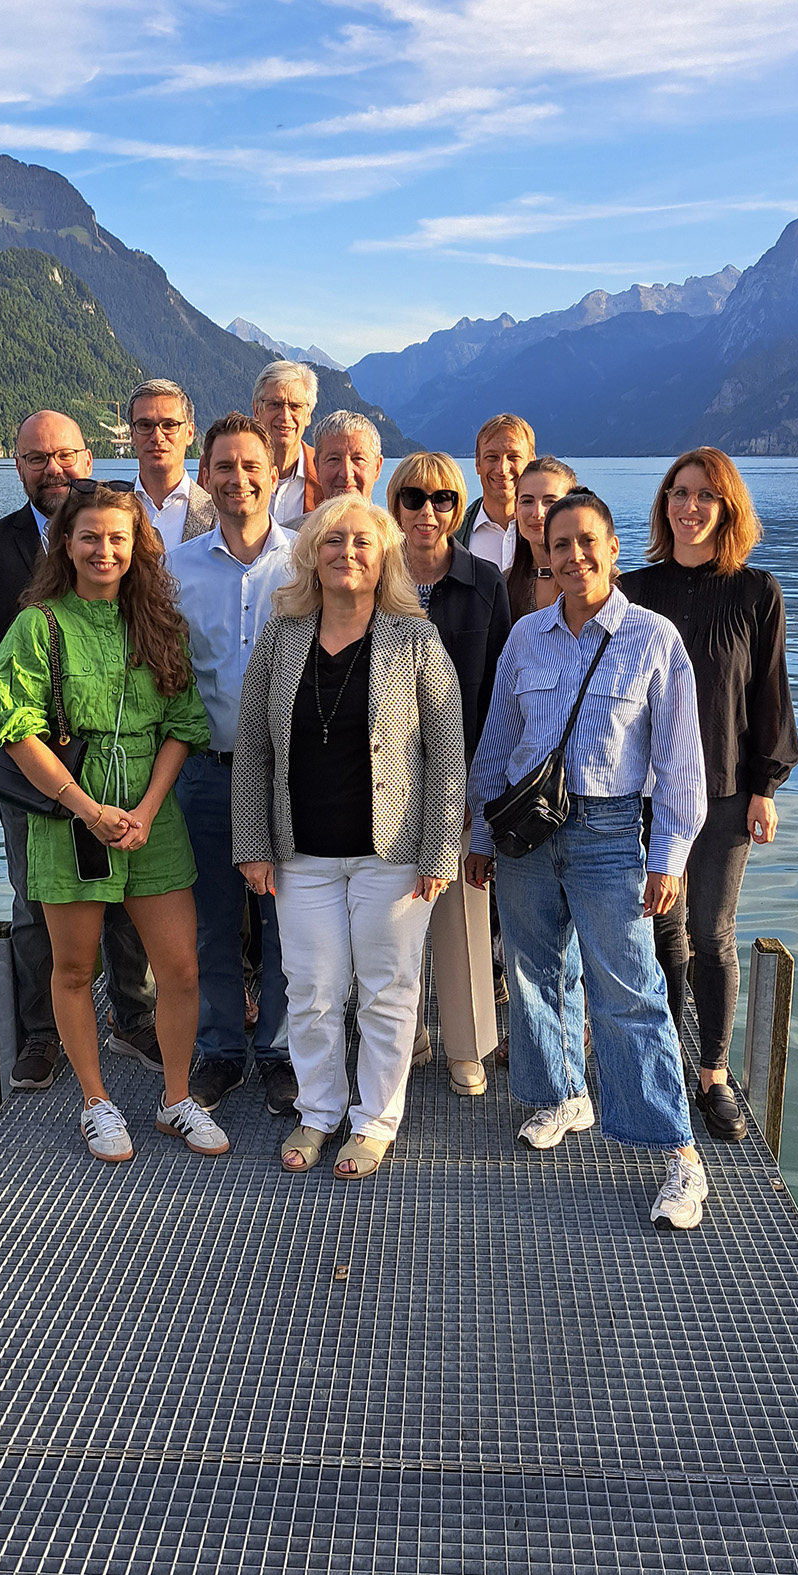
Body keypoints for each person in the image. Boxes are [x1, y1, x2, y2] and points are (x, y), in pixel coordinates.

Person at [466, 489, 711, 1229]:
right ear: (543, 552)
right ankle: (564, 1095)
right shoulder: (526, 638)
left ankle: (678, 1155)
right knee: (535, 973)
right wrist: (479, 838)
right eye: (560, 544)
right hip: (528, 835)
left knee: (629, 990)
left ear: (613, 547)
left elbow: (679, 765)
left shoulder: (653, 639)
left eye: (587, 542)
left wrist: (669, 857)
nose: (573, 556)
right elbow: (498, 747)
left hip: (609, 833)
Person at [0, 482, 226, 1160]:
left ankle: (176, 1099)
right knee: (72, 967)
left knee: (178, 969)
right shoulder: (40, 625)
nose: (104, 549)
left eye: (118, 537)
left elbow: (183, 725)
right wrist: (86, 810)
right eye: (90, 536)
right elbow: (13, 726)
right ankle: (96, 1101)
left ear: (137, 545)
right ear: (65, 541)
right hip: (70, 818)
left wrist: (147, 810)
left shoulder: (158, 621)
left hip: (152, 819)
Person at [233, 494, 466, 1179]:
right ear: (310, 553)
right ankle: (319, 1111)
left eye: (362, 541)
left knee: (388, 991)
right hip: (301, 853)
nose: (347, 553)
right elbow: (252, 745)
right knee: (310, 989)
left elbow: (448, 754)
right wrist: (252, 843)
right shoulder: (281, 634)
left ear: (384, 553)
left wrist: (440, 851)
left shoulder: (415, 638)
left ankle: (374, 1121)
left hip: (392, 855)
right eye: (332, 541)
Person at [0, 410, 160, 1090]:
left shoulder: (123, 541)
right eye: (38, 458)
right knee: (35, 903)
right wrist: (3, 769)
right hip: (30, 773)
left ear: (88, 458)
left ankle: (133, 1018)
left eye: (66, 456)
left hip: (120, 766)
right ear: (18, 467)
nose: (54, 470)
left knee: (123, 898)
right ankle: (40, 1036)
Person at [620, 448, 798, 1143]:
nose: (689, 507)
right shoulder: (632, 589)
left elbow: (770, 697)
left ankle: (713, 1075)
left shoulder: (757, 592)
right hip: (646, 792)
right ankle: (660, 1063)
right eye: (678, 493)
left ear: (728, 509)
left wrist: (766, 787)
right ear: (664, 504)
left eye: (704, 496)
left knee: (711, 933)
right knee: (660, 931)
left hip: (725, 789)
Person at [167, 412, 298, 1117]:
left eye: (252, 466)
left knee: (283, 925)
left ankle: (278, 1054)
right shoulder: (176, 568)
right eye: (224, 467)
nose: (239, 479)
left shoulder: (305, 561)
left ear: (274, 474)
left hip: (287, 778)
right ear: (206, 477)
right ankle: (221, 1050)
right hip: (206, 772)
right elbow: (163, 669)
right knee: (214, 922)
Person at [386, 451, 510, 1095]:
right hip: (384, 778)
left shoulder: (486, 581)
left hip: (464, 775)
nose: (427, 511)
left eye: (441, 500)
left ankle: (467, 1047)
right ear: (395, 505)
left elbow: (502, 691)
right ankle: (407, 1037)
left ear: (458, 508)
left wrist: (483, 787)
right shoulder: (374, 575)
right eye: (413, 498)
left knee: (462, 915)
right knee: (390, 916)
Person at [127, 379, 216, 547]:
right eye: (145, 425)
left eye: (169, 425)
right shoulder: (109, 509)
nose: (157, 437)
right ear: (132, 434)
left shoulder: (218, 514)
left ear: (189, 433)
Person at [455, 414, 536, 574]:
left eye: (513, 457)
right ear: (477, 463)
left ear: (531, 462)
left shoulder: (552, 530)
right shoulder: (453, 535)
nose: (502, 469)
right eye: (492, 457)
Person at [252, 359, 322, 526]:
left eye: (295, 406)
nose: (285, 416)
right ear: (256, 410)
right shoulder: (224, 467)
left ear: (308, 415)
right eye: (275, 404)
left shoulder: (325, 474)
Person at [508, 455, 576, 622]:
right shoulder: (503, 584)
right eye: (527, 501)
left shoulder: (604, 580)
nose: (537, 513)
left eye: (550, 501)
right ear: (515, 508)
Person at [308, 410, 384, 507]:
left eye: (358, 459)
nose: (346, 474)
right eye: (334, 459)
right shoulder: (297, 523)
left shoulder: (391, 523)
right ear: (317, 467)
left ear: (377, 468)